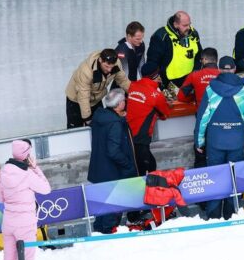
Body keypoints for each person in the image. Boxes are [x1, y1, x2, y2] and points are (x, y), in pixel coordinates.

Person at [196, 63, 244, 219]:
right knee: (234, 179)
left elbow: (203, 118)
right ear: (234, 69)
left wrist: (199, 141)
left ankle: (214, 215)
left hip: (215, 142)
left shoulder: (210, 89)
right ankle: (231, 214)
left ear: (219, 70)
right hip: (236, 143)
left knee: (214, 178)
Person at [0, 140, 51, 260]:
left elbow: (0, 199)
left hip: (8, 223)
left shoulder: (3, 172)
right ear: (27, 155)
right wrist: (35, 168)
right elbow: (46, 189)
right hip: (25, 225)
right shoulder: (27, 174)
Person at [87, 89, 139, 234]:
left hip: (99, 170)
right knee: (112, 211)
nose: (125, 103)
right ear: (119, 105)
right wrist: (128, 165)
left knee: (102, 209)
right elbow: (113, 151)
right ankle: (108, 235)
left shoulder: (100, 118)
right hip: (112, 173)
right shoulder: (115, 123)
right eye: (124, 101)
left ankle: (98, 233)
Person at [178, 48, 222, 168]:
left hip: (202, 118)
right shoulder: (223, 75)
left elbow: (181, 96)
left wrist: (194, 97)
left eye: (201, 59)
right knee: (220, 152)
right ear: (216, 60)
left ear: (204, 59)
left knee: (200, 152)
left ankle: (202, 174)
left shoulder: (194, 75)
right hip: (222, 119)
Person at [65, 49, 130, 128]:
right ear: (100, 60)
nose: (109, 70)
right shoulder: (86, 71)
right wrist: (87, 118)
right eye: (106, 66)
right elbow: (83, 96)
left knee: (101, 123)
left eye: (111, 67)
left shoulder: (116, 64)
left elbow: (123, 81)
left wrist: (134, 94)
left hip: (96, 98)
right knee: (76, 128)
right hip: (76, 100)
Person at [126, 63, 171, 178]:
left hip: (128, 132)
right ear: (156, 76)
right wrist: (166, 103)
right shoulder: (156, 95)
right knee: (146, 167)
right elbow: (165, 115)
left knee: (147, 164)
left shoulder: (133, 86)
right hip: (142, 135)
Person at [147, 11, 202, 88]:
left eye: (189, 24)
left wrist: (195, 76)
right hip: (169, 84)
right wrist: (160, 86)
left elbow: (199, 56)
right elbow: (152, 64)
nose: (188, 28)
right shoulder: (161, 36)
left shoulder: (193, 34)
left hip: (189, 83)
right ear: (175, 24)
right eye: (185, 25)